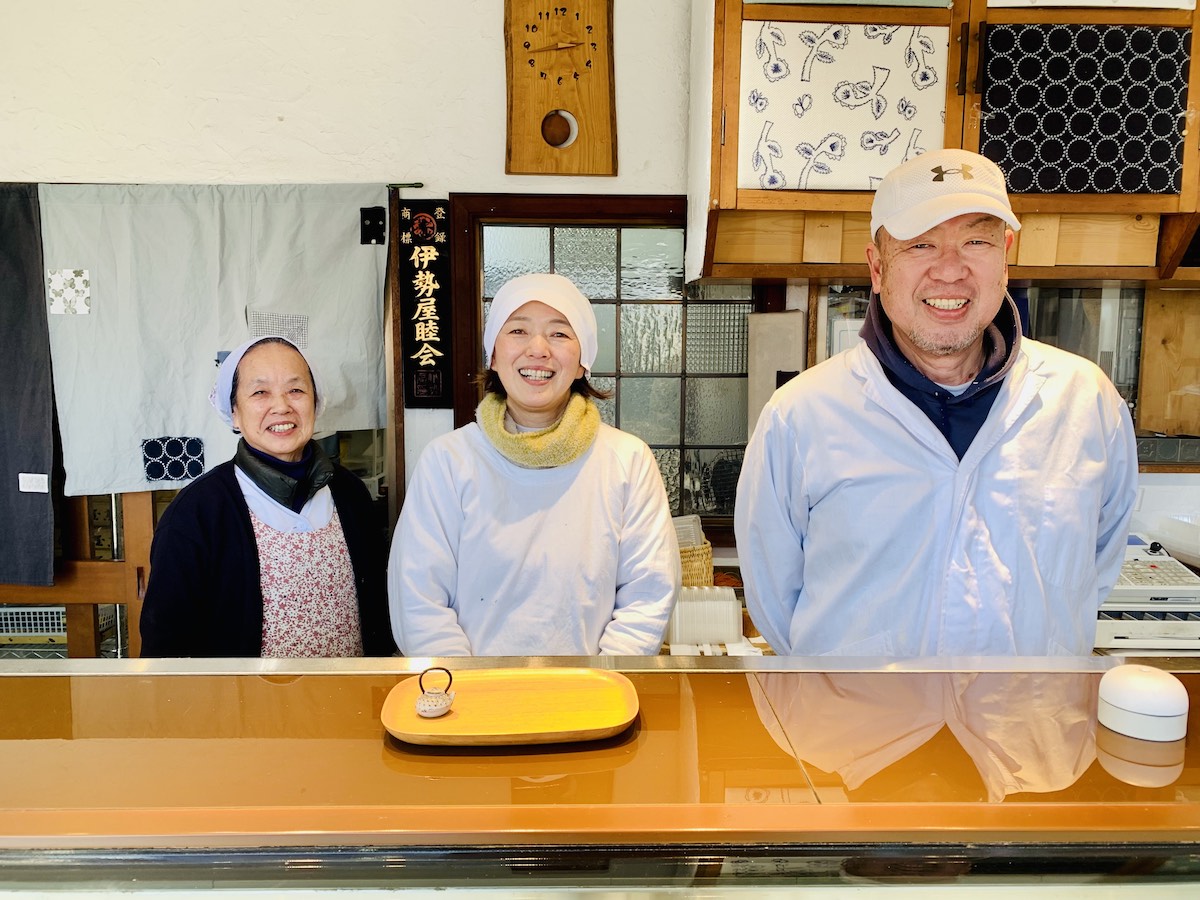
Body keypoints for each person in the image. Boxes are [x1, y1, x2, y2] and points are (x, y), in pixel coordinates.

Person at [735, 148, 1138, 657]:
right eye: (921, 244)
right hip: (861, 729)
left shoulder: (1085, 402)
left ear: (1006, 255)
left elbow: (1096, 567)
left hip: (1026, 727)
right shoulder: (801, 415)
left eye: (976, 240)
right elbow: (775, 601)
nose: (950, 271)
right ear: (877, 268)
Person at [388, 272, 680, 656]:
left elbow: (649, 593)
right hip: (474, 704)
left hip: (594, 701)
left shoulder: (626, 460)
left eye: (559, 334)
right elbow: (417, 598)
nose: (538, 350)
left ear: (582, 363)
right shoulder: (449, 460)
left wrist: (604, 687)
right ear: (493, 355)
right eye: (518, 331)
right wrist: (465, 689)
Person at [140, 336, 396, 657]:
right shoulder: (197, 512)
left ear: (316, 403)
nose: (281, 406)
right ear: (233, 412)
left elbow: (381, 613)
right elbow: (165, 648)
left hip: (352, 702)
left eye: (296, 390)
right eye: (260, 392)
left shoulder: (349, 493)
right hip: (244, 706)